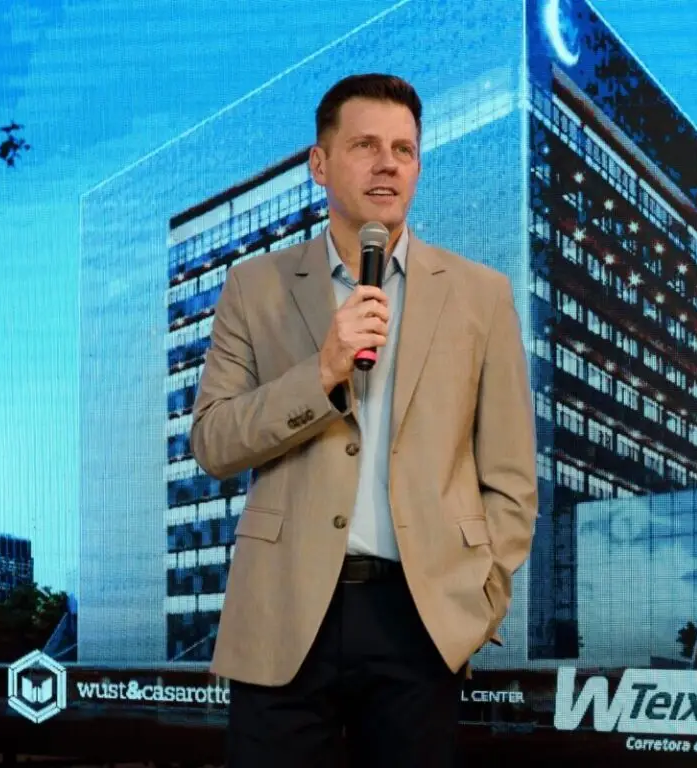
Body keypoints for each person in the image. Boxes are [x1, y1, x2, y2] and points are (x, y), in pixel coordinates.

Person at [190, 72, 537, 768]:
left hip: (422, 617)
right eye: (366, 146)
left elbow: (510, 477)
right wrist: (321, 373)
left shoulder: (480, 296)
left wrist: (478, 599)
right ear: (319, 164)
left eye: (404, 150)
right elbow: (213, 441)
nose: (388, 164)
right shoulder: (253, 287)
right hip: (284, 613)